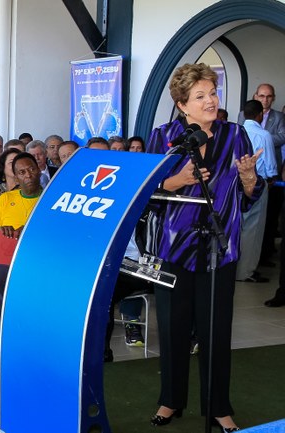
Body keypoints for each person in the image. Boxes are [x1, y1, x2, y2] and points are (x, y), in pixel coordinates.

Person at [146, 63, 263, 432]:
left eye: (213, 93)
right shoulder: (164, 137)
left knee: (216, 332)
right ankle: (170, 400)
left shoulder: (236, 135)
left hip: (219, 248)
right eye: (200, 96)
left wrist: (249, 179)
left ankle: (218, 407)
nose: (211, 100)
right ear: (182, 104)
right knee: (173, 328)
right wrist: (177, 180)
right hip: (174, 248)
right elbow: (146, 193)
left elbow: (250, 195)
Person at [0, 152, 42, 367]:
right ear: (15, 176)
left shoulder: (51, 200)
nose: (28, 175)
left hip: (38, 263)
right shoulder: (6, 199)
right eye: (22, 172)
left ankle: (30, 344)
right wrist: (3, 230)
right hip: (5, 261)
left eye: (31, 169)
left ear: (39, 169)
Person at [236, 100, 277, 284]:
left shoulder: (236, 132)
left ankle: (233, 269)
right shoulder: (263, 134)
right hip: (256, 184)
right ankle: (245, 272)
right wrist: (272, 178)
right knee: (253, 230)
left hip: (235, 185)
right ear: (260, 115)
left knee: (237, 228)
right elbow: (270, 166)